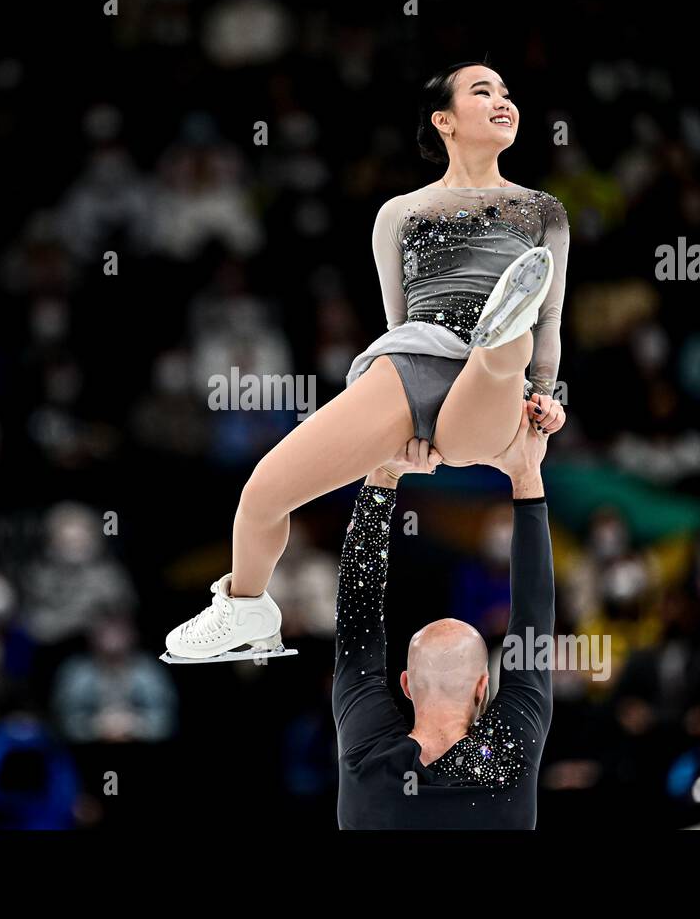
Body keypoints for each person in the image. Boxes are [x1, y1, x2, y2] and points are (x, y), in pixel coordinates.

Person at [164, 61, 569, 662]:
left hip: (489, 391)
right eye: (482, 92)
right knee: (261, 493)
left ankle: (501, 327)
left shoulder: (543, 212)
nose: (502, 100)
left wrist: (548, 397)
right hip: (411, 365)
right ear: (445, 121)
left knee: (505, 352)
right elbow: (398, 322)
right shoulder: (399, 214)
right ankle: (245, 609)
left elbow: (553, 320)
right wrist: (395, 431)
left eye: (507, 93)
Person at [334, 424, 554, 828]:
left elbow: (357, 620)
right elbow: (535, 618)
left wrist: (384, 472)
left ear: (406, 684)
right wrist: (527, 473)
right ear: (483, 685)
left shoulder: (369, 762)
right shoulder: (505, 761)